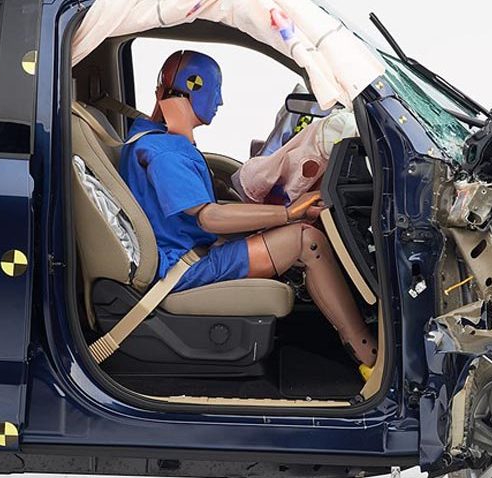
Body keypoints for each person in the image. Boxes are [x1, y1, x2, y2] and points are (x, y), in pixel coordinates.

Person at [119, 50, 377, 376]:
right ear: (193, 87)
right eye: (216, 89)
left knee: (293, 233)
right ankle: (369, 355)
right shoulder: (165, 153)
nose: (220, 101)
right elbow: (209, 218)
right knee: (307, 241)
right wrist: (288, 214)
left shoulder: (153, 140)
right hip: (185, 268)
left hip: (192, 252)